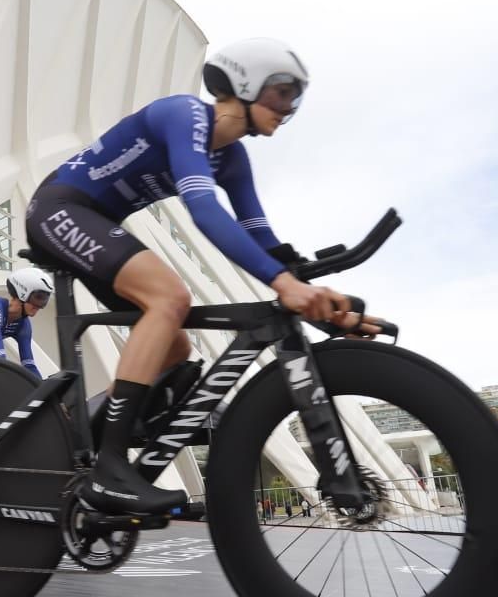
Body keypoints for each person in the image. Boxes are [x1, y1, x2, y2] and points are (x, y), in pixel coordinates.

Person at [25, 38, 381, 514]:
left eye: (296, 98)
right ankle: (110, 469)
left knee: (174, 348)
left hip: (98, 224)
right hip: (60, 209)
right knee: (170, 298)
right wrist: (284, 283)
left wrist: (315, 294)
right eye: (282, 92)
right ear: (243, 84)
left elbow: (262, 238)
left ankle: (77, 429)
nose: (289, 107)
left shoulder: (232, 159)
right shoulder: (185, 115)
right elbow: (205, 210)